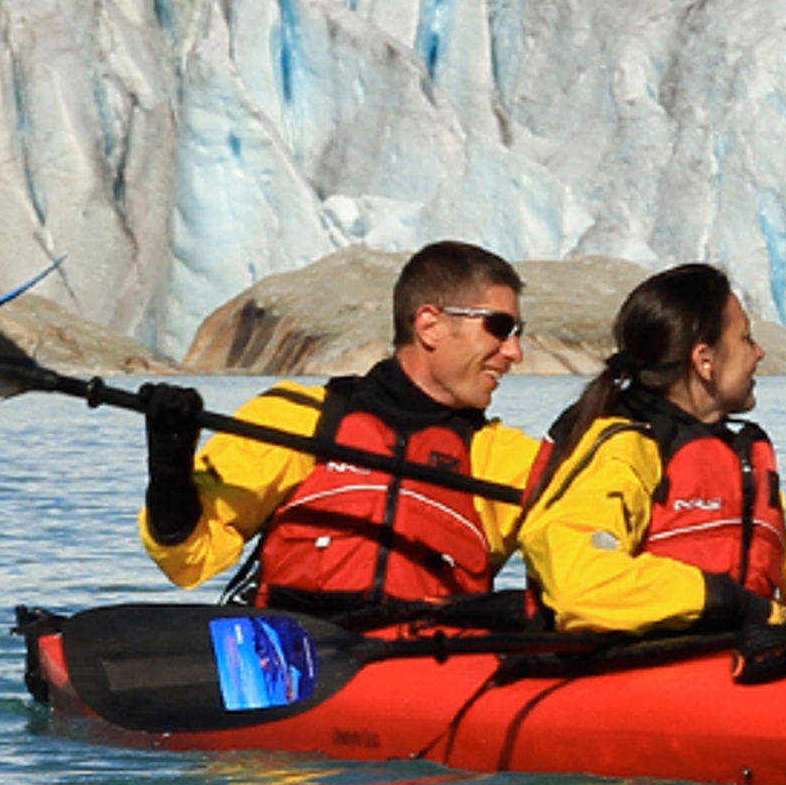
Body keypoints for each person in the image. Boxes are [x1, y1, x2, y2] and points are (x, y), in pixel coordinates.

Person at [135, 240, 546, 621]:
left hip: (425, 676)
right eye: (499, 327)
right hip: (294, 669)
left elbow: (585, 565)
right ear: (430, 325)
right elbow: (187, 556)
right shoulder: (295, 419)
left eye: (517, 335)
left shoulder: (510, 461)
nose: (514, 352)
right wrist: (169, 468)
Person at [519, 262, 786, 633]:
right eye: (745, 339)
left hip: (728, 659)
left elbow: (779, 561)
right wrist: (722, 600)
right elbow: (580, 581)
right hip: (633, 670)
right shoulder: (624, 448)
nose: (758, 353)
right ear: (705, 361)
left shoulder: (734, 456)